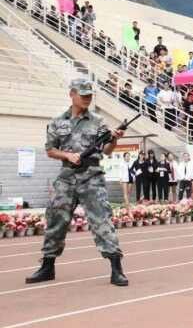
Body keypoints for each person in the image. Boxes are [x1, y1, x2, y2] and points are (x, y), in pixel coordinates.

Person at [25, 78, 128, 286]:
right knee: (55, 220)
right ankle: (47, 266)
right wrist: (68, 156)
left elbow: (106, 150)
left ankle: (116, 268)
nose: (87, 98)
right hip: (67, 177)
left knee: (102, 221)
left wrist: (115, 139)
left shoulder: (98, 121)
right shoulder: (57, 122)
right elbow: (50, 150)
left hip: (92, 176)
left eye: (90, 95)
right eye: (83, 95)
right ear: (71, 94)